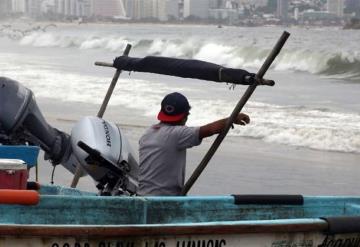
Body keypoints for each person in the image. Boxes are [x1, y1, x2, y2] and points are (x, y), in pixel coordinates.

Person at [138, 92, 250, 196]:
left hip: (142, 194)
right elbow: (209, 130)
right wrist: (232, 118)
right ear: (185, 116)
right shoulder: (177, 134)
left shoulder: (148, 132)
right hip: (162, 198)